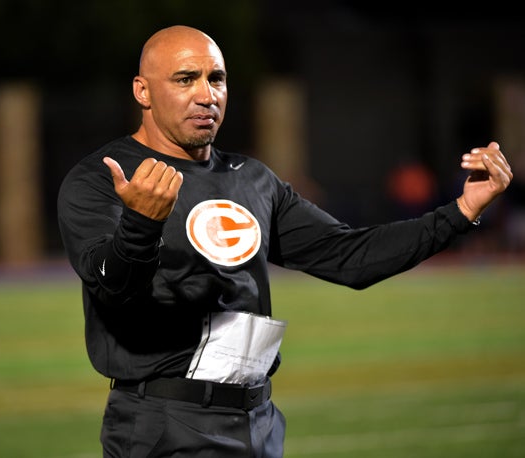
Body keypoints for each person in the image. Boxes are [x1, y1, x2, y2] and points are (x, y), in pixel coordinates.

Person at [57, 25, 513, 458]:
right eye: (185, 79)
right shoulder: (104, 177)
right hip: (164, 423)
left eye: (217, 78)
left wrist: (461, 212)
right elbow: (111, 288)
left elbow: (349, 257)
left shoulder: (253, 179)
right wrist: (141, 224)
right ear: (143, 91)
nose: (206, 94)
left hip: (256, 419)